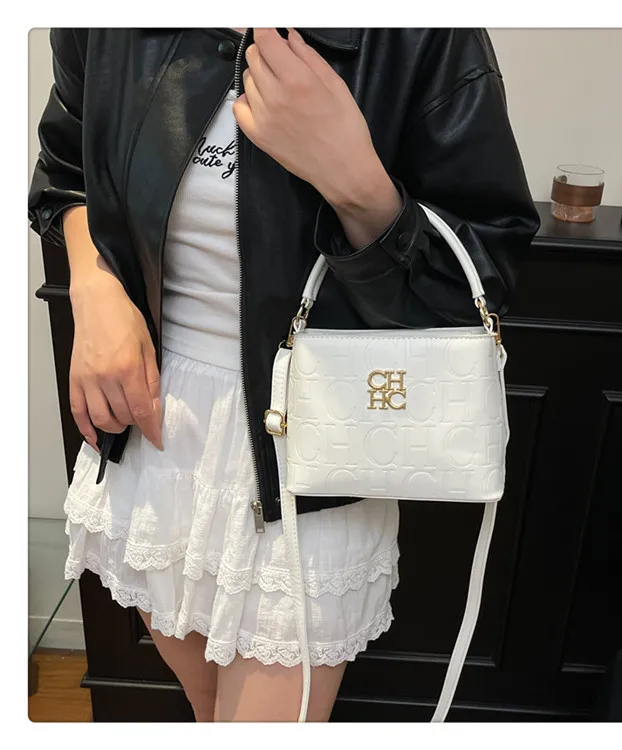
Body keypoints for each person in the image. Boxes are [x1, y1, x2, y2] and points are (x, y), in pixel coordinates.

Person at [28, 27, 539, 722]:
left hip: (311, 451)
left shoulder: (420, 33)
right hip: (157, 432)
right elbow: (67, 171)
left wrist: (356, 180)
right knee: (210, 712)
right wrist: (94, 292)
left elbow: (479, 274)